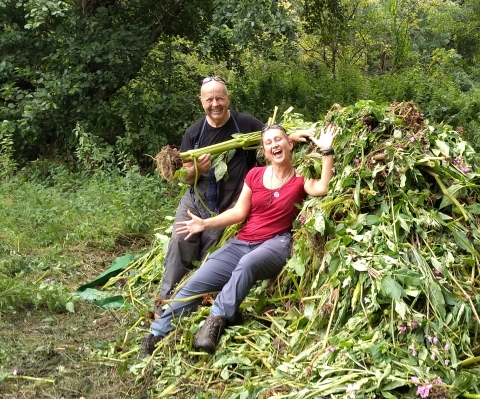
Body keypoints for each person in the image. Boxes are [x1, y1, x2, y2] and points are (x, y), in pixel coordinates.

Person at [141, 122, 338, 356]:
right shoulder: (254, 175)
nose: (274, 144)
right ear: (264, 151)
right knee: (195, 282)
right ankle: (157, 333)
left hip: (277, 243)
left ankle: (215, 321)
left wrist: (327, 151)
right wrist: (204, 223)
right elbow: (239, 213)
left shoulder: (300, 178)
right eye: (268, 142)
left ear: (289, 144)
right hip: (242, 242)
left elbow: (323, 186)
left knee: (248, 264)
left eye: (279, 139)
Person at [159, 76, 312, 304]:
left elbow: (269, 142)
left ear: (228, 98)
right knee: (180, 242)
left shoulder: (246, 124)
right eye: (209, 99)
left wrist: (291, 137)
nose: (215, 104)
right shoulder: (194, 133)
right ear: (201, 101)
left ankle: (191, 301)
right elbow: (185, 179)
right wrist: (197, 171)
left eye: (220, 98)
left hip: (229, 203)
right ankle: (164, 302)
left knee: (210, 256)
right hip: (196, 201)